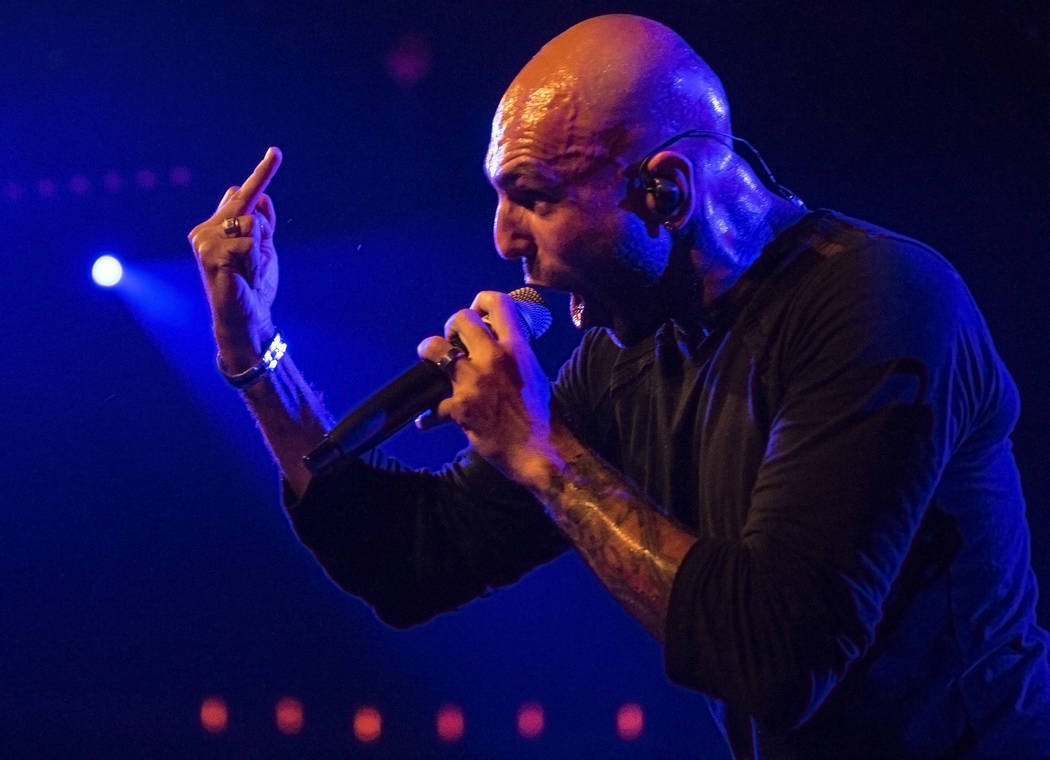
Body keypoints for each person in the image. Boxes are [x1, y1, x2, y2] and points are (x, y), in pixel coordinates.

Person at [187, 14, 1050, 759]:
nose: (503, 239)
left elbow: (778, 659)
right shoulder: (628, 348)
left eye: (533, 197)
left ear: (665, 191)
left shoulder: (874, 300)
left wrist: (542, 453)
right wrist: (253, 352)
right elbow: (412, 561)